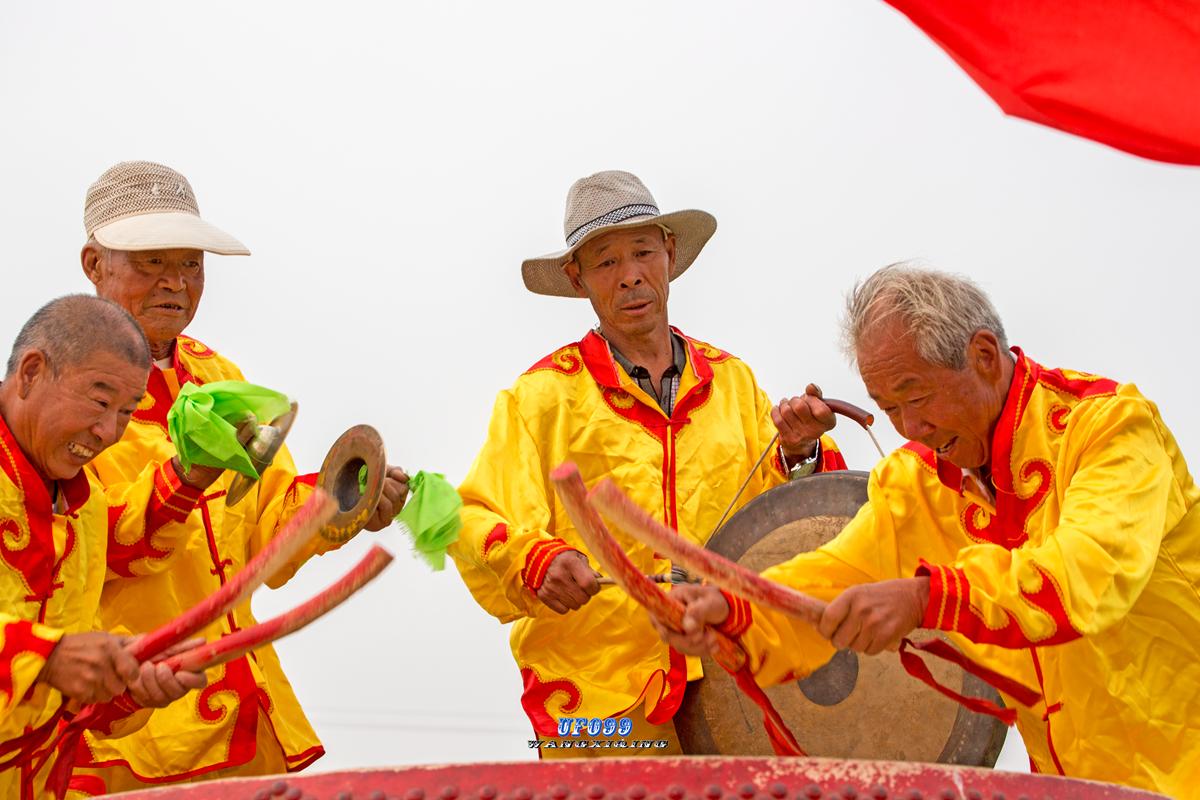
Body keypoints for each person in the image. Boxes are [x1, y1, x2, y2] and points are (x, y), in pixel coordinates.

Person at [658, 264, 1199, 795]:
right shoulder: (921, 482)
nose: (909, 428)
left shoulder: (1109, 430)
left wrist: (929, 597)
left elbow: (1085, 574)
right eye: (889, 408)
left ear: (983, 357)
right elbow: (836, 577)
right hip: (1074, 786)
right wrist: (736, 612)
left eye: (916, 398)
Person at [448, 170, 845, 755]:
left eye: (642, 251)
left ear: (670, 253)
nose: (630, 274)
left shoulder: (734, 383)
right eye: (606, 261)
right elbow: (474, 515)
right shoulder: (540, 397)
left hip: (735, 676)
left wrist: (800, 451)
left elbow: (792, 526)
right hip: (596, 703)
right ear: (576, 277)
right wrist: (534, 560)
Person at [70, 161, 410, 790]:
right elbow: (84, 550)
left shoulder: (222, 377)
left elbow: (268, 538)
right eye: (151, 261)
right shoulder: (59, 385)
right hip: (126, 727)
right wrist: (186, 478)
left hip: (245, 711)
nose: (175, 282)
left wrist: (343, 499)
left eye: (191, 263)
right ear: (94, 264)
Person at [0, 295, 213, 799]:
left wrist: (130, 682)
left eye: (126, 412)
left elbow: (69, 702)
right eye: (99, 402)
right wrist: (43, 658)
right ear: (30, 373)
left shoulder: (84, 506)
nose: (108, 434)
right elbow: (51, 659)